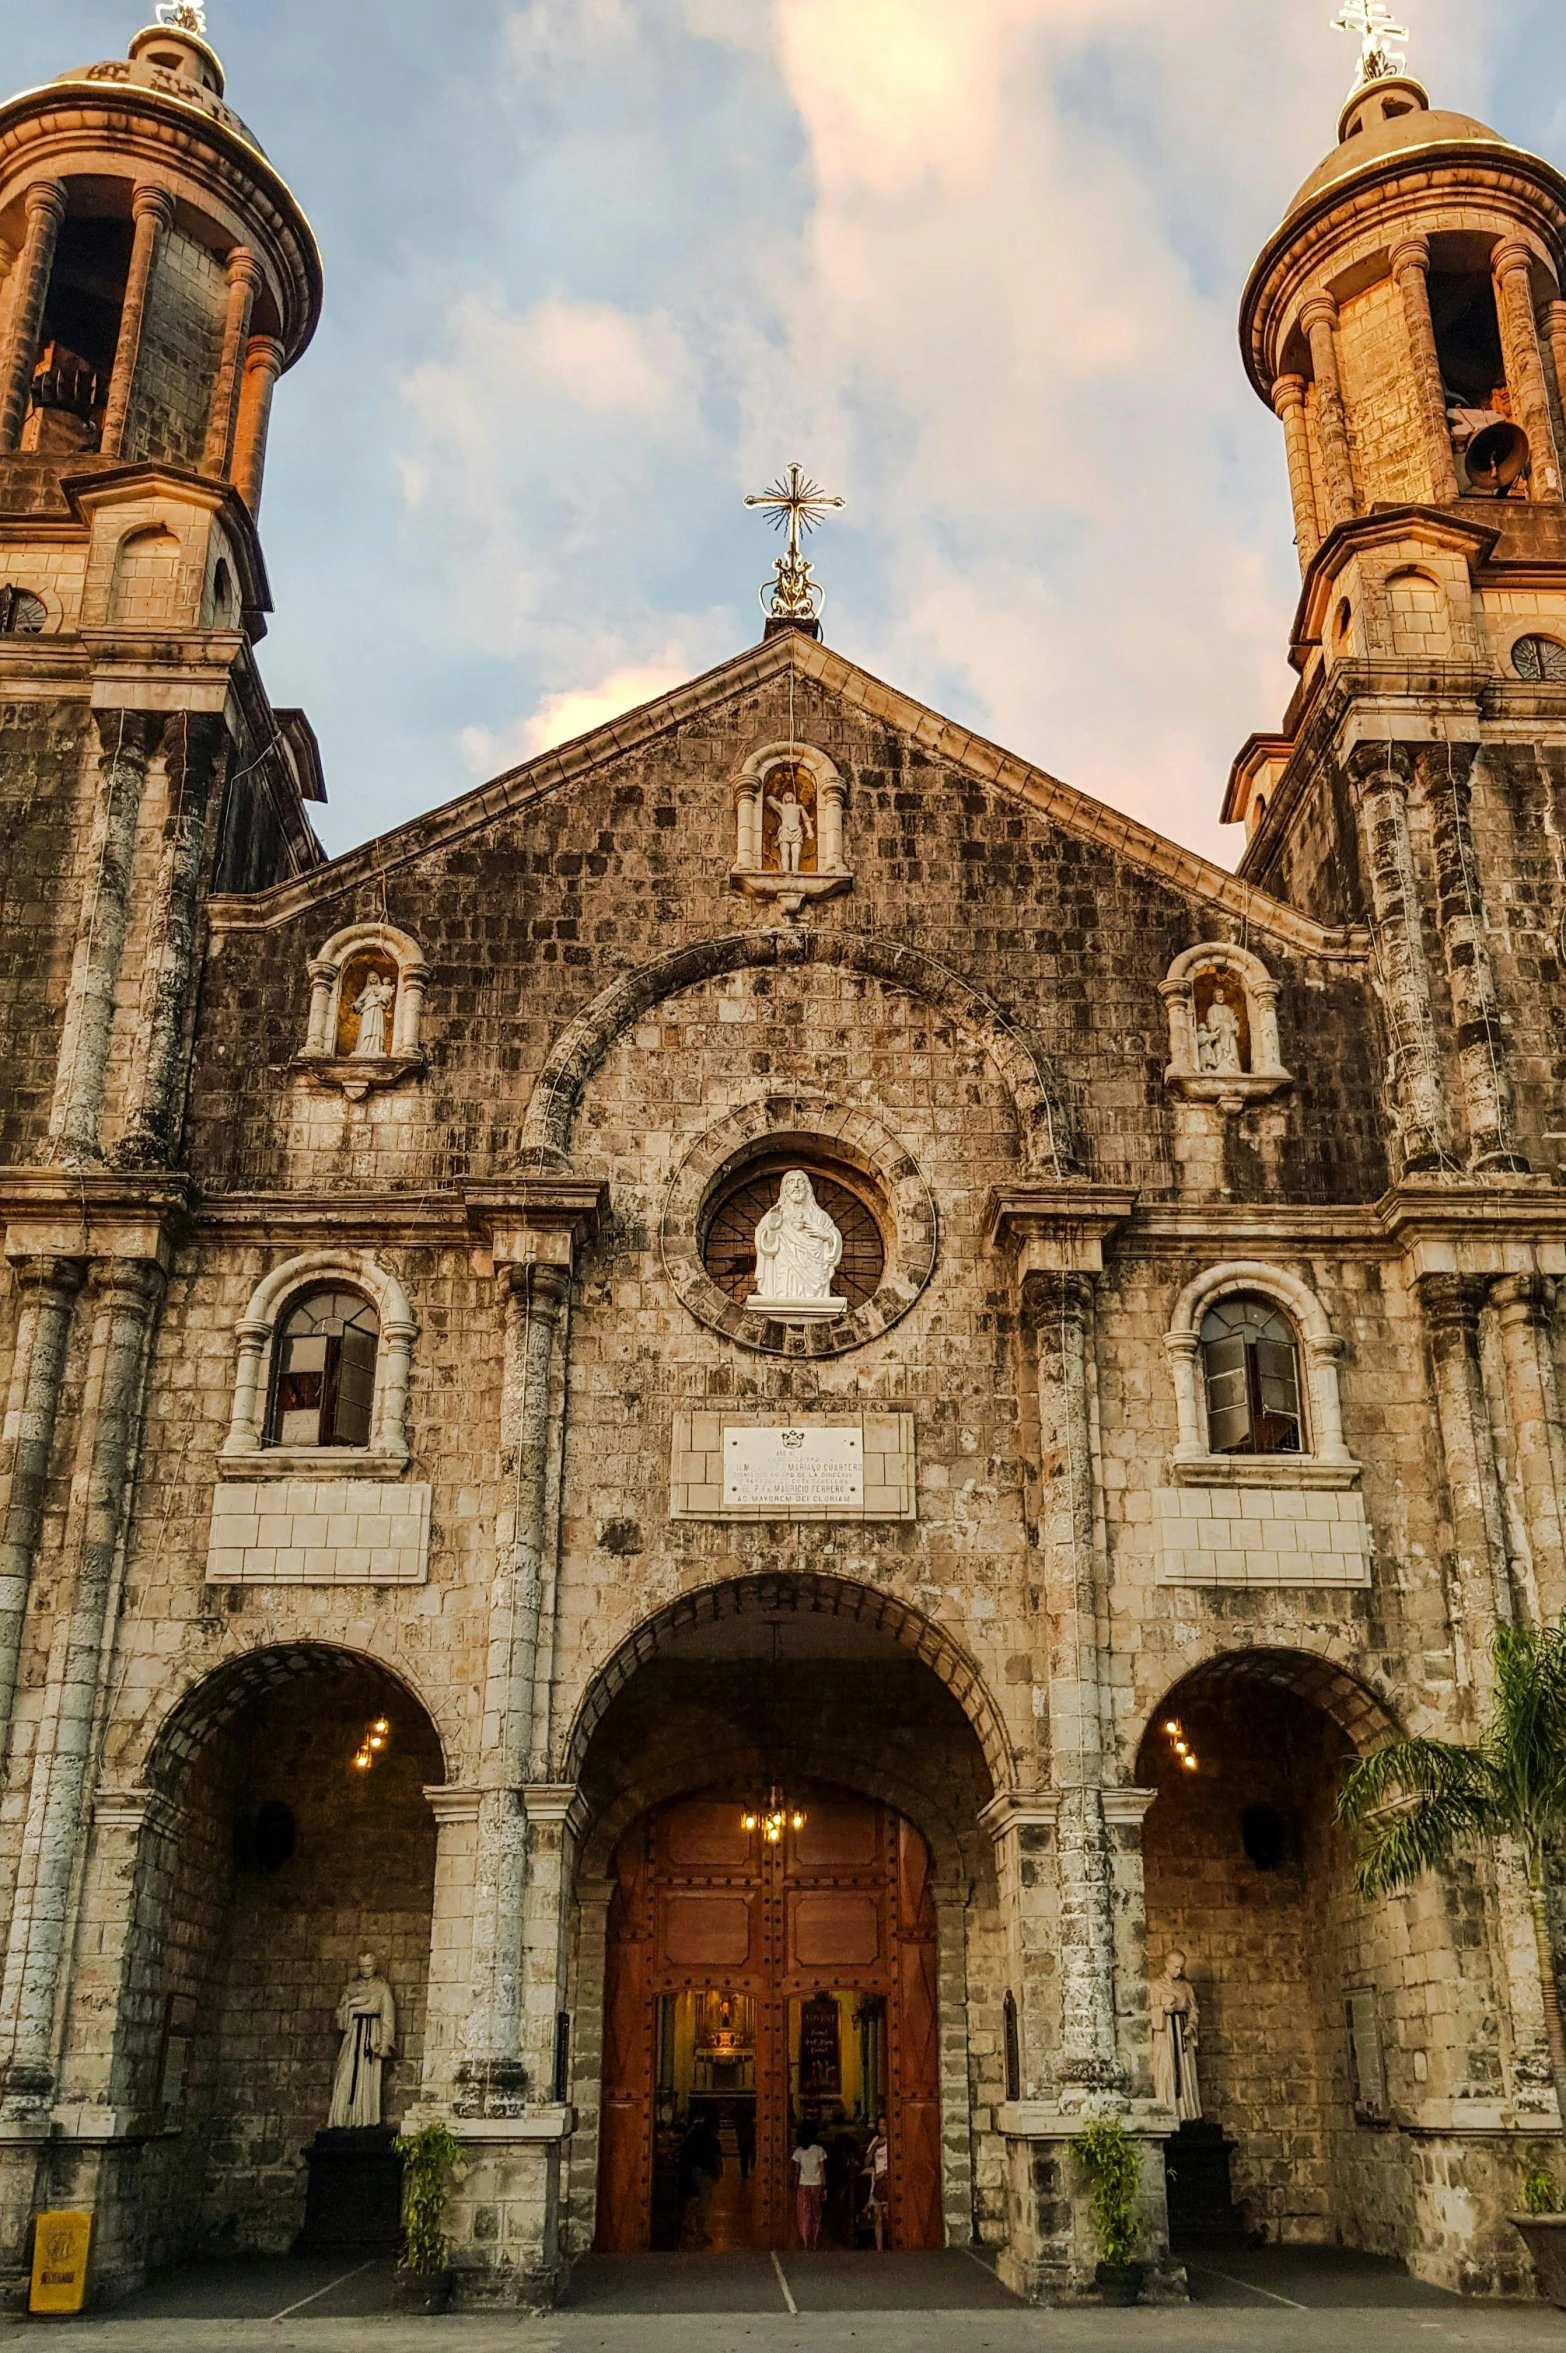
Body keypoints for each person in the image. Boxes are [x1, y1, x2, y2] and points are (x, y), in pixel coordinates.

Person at [327, 1952, 396, 2129]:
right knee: (345, 2072)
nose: (365, 1970)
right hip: (353, 2033)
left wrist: (385, 2042)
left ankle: (365, 2119)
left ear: (375, 1965)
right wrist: (351, 2004)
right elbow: (340, 2018)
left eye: (369, 1966)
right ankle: (342, 2119)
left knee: (367, 2078)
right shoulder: (352, 1988)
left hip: (371, 2035)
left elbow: (387, 2017)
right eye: (362, 1966)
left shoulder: (382, 1988)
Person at [679, 2112, 723, 2247]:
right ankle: (699, 2232)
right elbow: (717, 2158)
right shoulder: (713, 2141)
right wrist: (720, 2171)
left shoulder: (697, 2137)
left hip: (696, 2170)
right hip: (707, 2173)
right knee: (704, 2203)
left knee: (703, 2200)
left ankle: (687, 2220)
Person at [792, 2121, 827, 2249]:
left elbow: (796, 2172)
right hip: (816, 2184)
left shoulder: (798, 2152)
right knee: (816, 2214)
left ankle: (805, 2240)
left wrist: (795, 2187)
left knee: (804, 2214)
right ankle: (815, 2240)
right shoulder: (819, 2150)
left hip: (803, 2185)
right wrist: (825, 2187)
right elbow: (822, 2171)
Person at [862, 2112, 890, 2251]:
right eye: (879, 2125)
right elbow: (866, 2162)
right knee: (877, 2215)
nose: (881, 2128)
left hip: (890, 2181)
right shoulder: (876, 2140)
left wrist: (886, 2172)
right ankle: (879, 2249)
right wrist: (875, 2146)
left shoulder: (895, 2140)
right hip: (877, 2183)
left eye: (884, 2125)